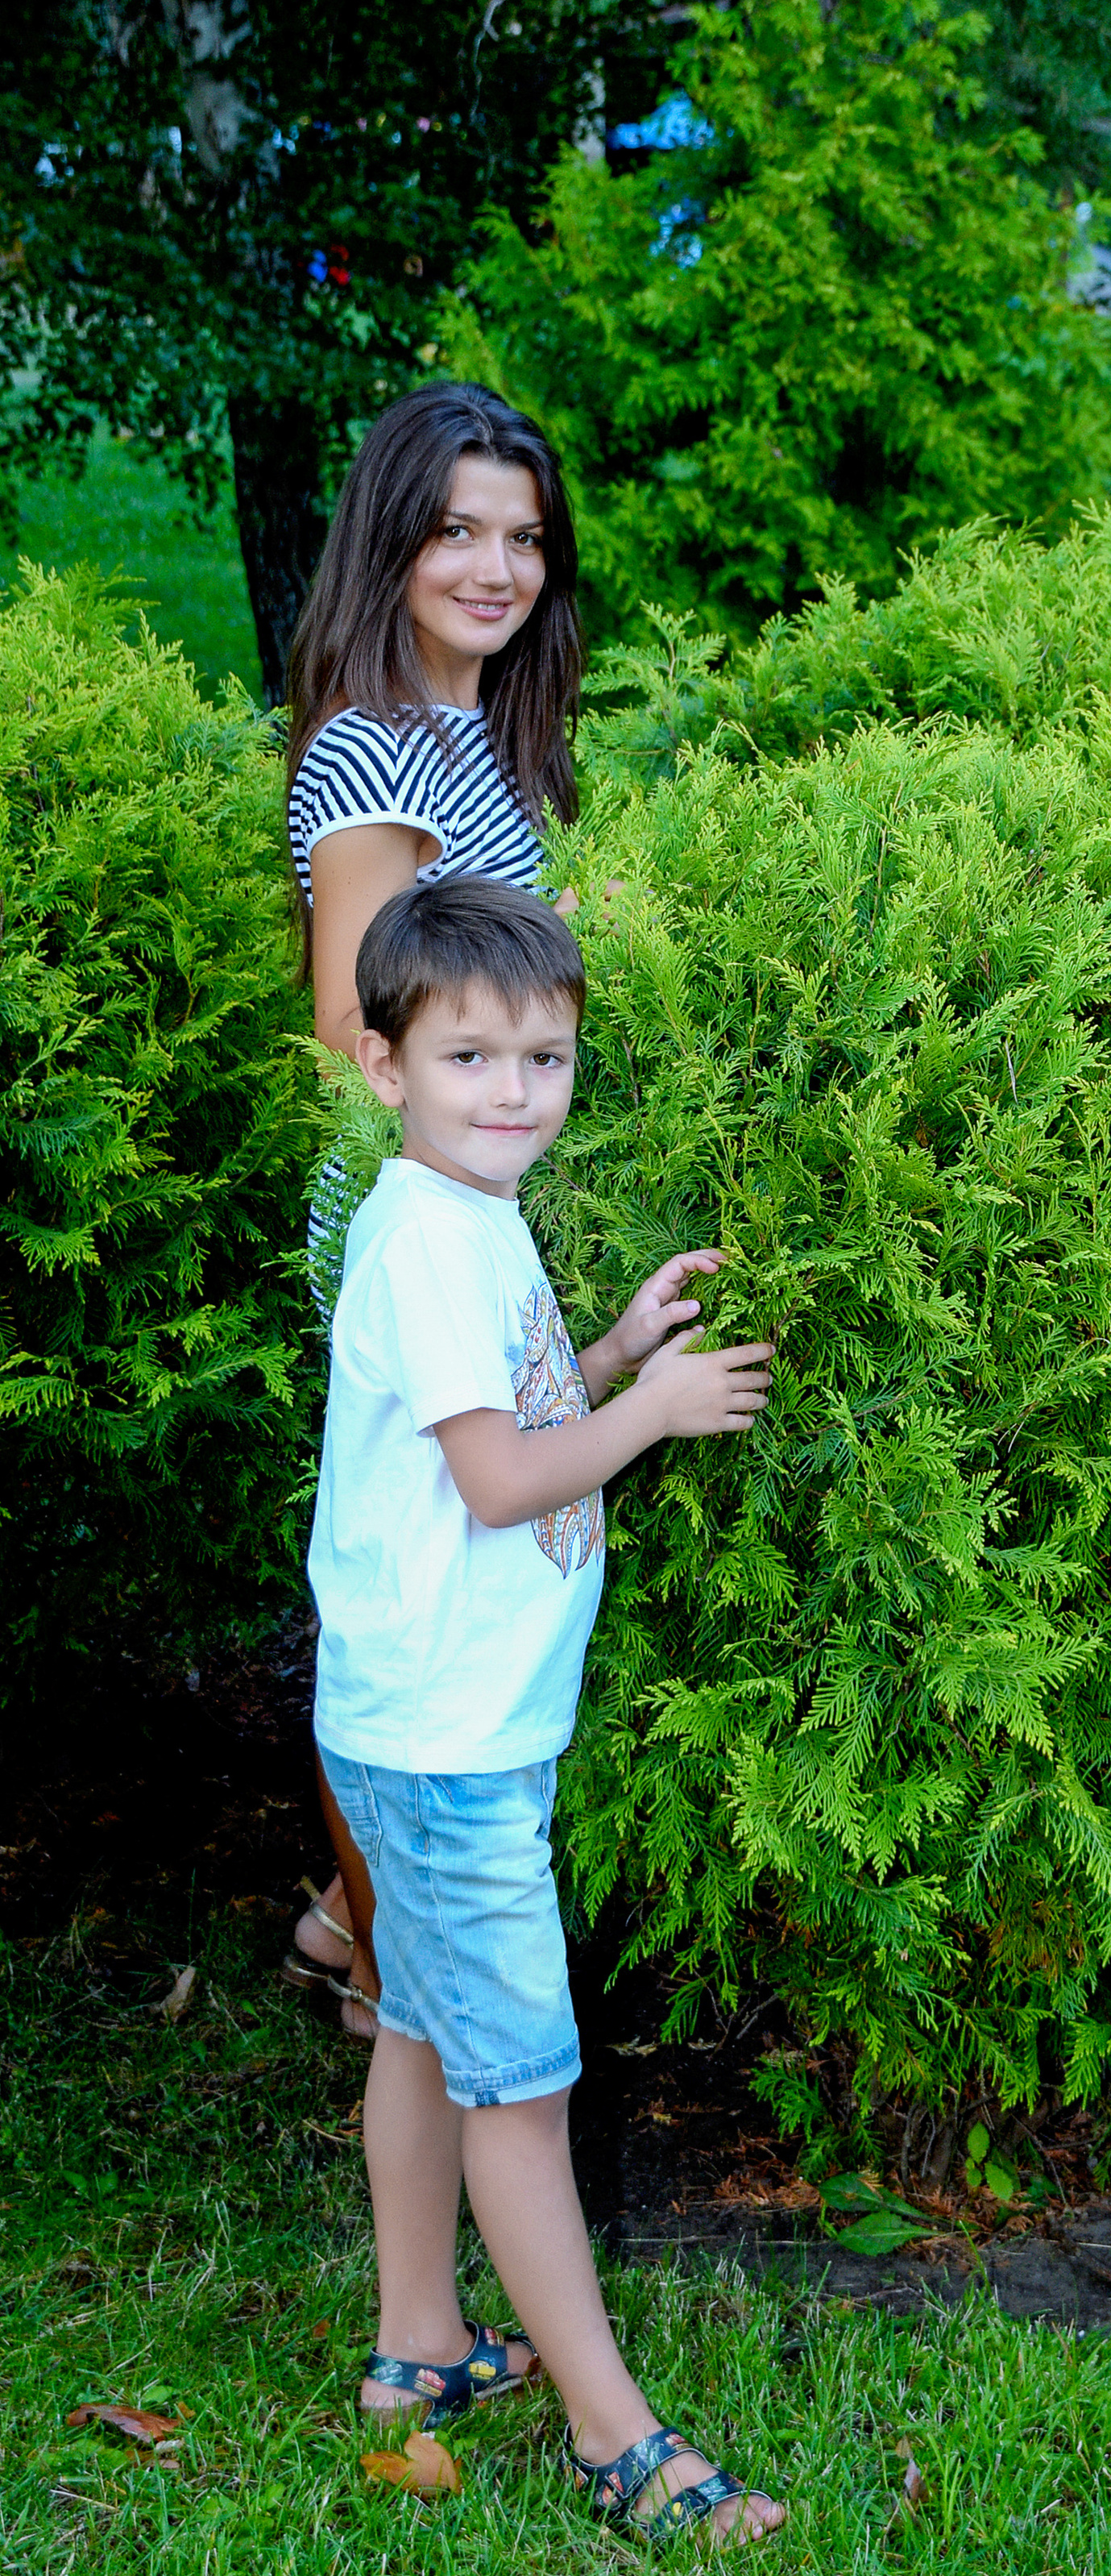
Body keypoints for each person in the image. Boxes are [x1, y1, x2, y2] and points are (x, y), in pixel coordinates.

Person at [313, 872, 785, 2547]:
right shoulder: (430, 1236)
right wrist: (652, 1408)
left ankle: (419, 2343)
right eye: (471, 1060)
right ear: (385, 1067)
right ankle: (613, 2434)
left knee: (432, 2032)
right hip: (443, 1744)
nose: (514, 1092)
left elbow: (492, 1424)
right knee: (516, 2077)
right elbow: (508, 1481)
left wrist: (605, 1348)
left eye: (545, 1058)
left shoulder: (461, 1214)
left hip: (429, 1721)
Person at [280, 380, 584, 2038]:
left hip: (477, 1193)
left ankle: (355, 1917)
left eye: (522, 535)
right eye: (458, 528)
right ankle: (396, 1963)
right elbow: (352, 1021)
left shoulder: (489, 737)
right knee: (410, 1577)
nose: (493, 563)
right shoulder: (371, 744)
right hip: (404, 1204)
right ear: (391, 541)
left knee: (468, 1576)